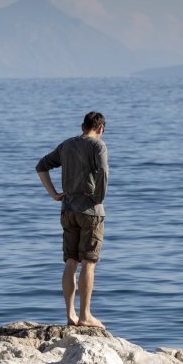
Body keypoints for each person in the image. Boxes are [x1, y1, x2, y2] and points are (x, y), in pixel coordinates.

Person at [36, 111, 109, 328]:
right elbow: (103, 172)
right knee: (88, 262)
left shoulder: (67, 145)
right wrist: (98, 198)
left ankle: (71, 315)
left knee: (70, 261)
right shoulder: (99, 146)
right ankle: (86, 315)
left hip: (67, 210)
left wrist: (54, 194)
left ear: (82, 126)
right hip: (90, 211)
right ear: (101, 129)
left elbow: (41, 166)